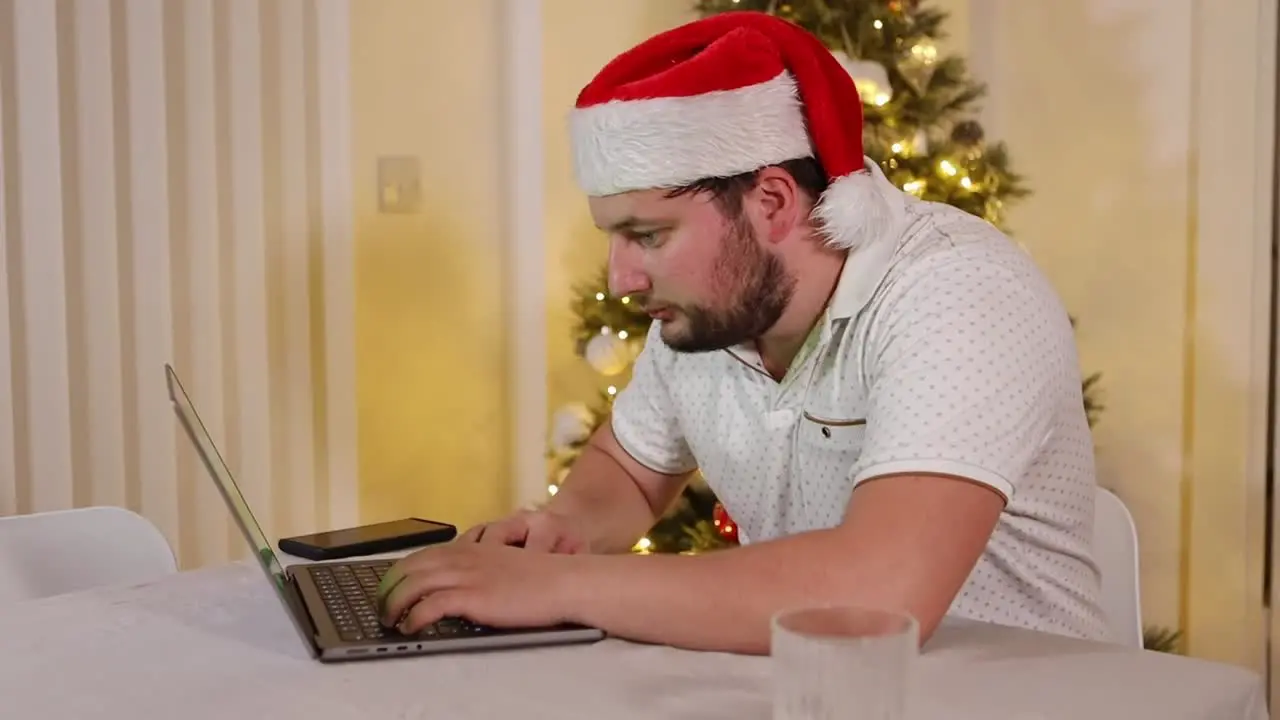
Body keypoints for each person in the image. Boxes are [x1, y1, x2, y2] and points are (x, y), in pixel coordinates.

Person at [376, 11, 1111, 654]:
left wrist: (563, 584)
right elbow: (629, 470)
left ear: (772, 202)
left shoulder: (960, 294)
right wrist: (562, 529)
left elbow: (881, 596)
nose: (624, 279)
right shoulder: (710, 315)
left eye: (648, 235)